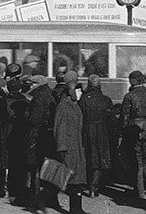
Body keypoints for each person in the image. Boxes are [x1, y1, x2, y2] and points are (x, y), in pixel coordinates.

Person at [120, 70, 146, 199]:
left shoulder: (129, 96)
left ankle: (139, 190)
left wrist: (123, 133)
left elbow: (125, 117)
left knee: (137, 160)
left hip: (134, 130)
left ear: (132, 81)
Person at [54, 78, 87, 214]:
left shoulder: (75, 105)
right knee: (72, 179)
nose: (80, 93)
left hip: (76, 147)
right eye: (78, 91)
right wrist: (61, 148)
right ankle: (75, 209)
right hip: (68, 148)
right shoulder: (63, 106)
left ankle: (76, 208)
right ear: (71, 92)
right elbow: (59, 128)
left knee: (75, 179)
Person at [26, 74, 57, 212]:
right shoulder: (50, 94)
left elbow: (34, 119)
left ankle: (37, 196)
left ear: (36, 84)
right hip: (48, 134)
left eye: (31, 84)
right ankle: (49, 196)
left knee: (36, 166)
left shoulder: (38, 97)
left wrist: (26, 113)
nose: (30, 86)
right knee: (47, 164)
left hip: (37, 134)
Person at [78, 74, 113, 197]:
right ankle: (94, 187)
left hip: (87, 130)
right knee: (99, 158)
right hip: (102, 131)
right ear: (99, 84)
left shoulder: (83, 98)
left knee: (87, 156)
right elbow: (111, 120)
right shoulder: (106, 100)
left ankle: (87, 184)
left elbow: (80, 116)